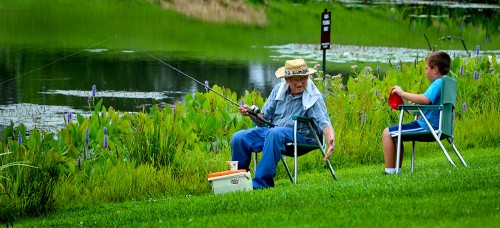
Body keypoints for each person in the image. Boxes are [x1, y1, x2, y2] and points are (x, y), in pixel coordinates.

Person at [231, 58, 335, 189]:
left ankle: (261, 183)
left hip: (300, 137)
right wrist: (251, 113)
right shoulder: (278, 90)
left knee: (275, 132)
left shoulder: (313, 96)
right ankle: (238, 182)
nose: (300, 83)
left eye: (303, 78)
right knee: (239, 138)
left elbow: (324, 122)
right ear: (287, 80)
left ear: (307, 77)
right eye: (295, 79)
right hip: (274, 134)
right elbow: (263, 118)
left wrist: (331, 139)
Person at [382, 51, 451, 174]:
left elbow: (425, 99)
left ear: (435, 69)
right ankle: (394, 170)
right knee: (396, 135)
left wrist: (402, 93)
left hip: (428, 127)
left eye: (426, 68)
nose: (425, 72)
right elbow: (426, 106)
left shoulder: (438, 83)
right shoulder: (445, 83)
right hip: (436, 125)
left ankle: (390, 171)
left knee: (387, 133)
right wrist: (405, 105)